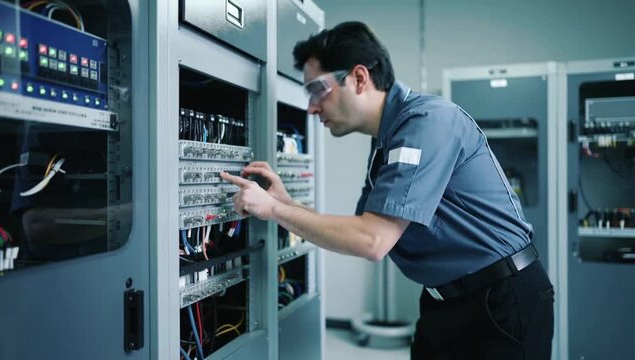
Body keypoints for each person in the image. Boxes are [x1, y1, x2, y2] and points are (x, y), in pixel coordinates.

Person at [221, 21, 554, 359]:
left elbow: (372, 241)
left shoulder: (429, 121)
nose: (311, 107)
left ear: (359, 78)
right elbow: (357, 230)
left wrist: (274, 210)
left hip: (501, 302)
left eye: (317, 89)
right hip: (447, 304)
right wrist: (286, 203)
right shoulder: (386, 142)